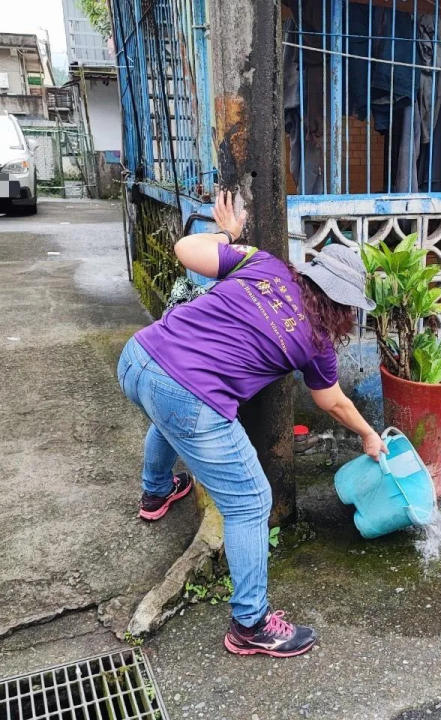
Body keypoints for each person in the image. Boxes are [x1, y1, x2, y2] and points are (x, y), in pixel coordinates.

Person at [116, 190, 386, 658]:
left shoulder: (266, 265)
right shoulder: (318, 341)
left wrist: (226, 232)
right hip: (187, 395)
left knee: (166, 417)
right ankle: (250, 624)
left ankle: (155, 494)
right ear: (345, 308)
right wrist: (367, 433)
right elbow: (333, 401)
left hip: (139, 358)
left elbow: (186, 250)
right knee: (250, 501)